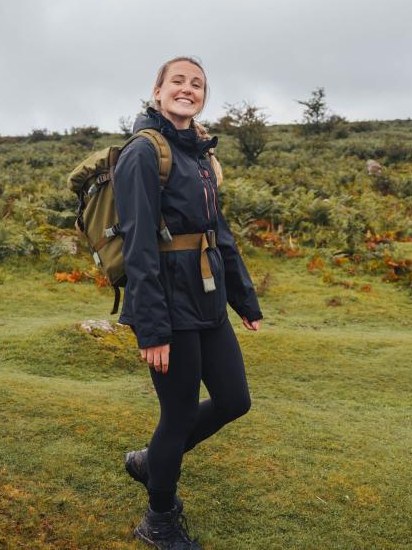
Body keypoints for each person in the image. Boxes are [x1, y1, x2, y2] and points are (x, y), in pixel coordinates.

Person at [113, 56, 263, 550]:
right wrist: (151, 329)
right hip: (167, 308)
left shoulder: (200, 155)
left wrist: (244, 298)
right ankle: (158, 520)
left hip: (209, 299)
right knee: (176, 417)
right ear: (157, 91)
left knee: (234, 399)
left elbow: (217, 233)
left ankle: (150, 463)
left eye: (197, 84)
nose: (188, 88)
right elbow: (137, 245)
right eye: (177, 80)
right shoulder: (142, 152)